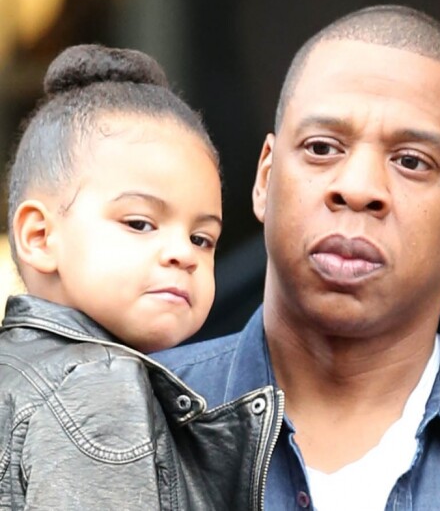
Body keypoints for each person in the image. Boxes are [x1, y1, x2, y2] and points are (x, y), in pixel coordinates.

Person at [154, 5, 440, 510]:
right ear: (266, 178)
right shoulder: (126, 420)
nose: (357, 189)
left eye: (411, 161)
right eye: (321, 147)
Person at [0, 44, 282, 510]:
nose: (182, 255)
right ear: (39, 235)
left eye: (201, 239)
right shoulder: (99, 387)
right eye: (139, 223)